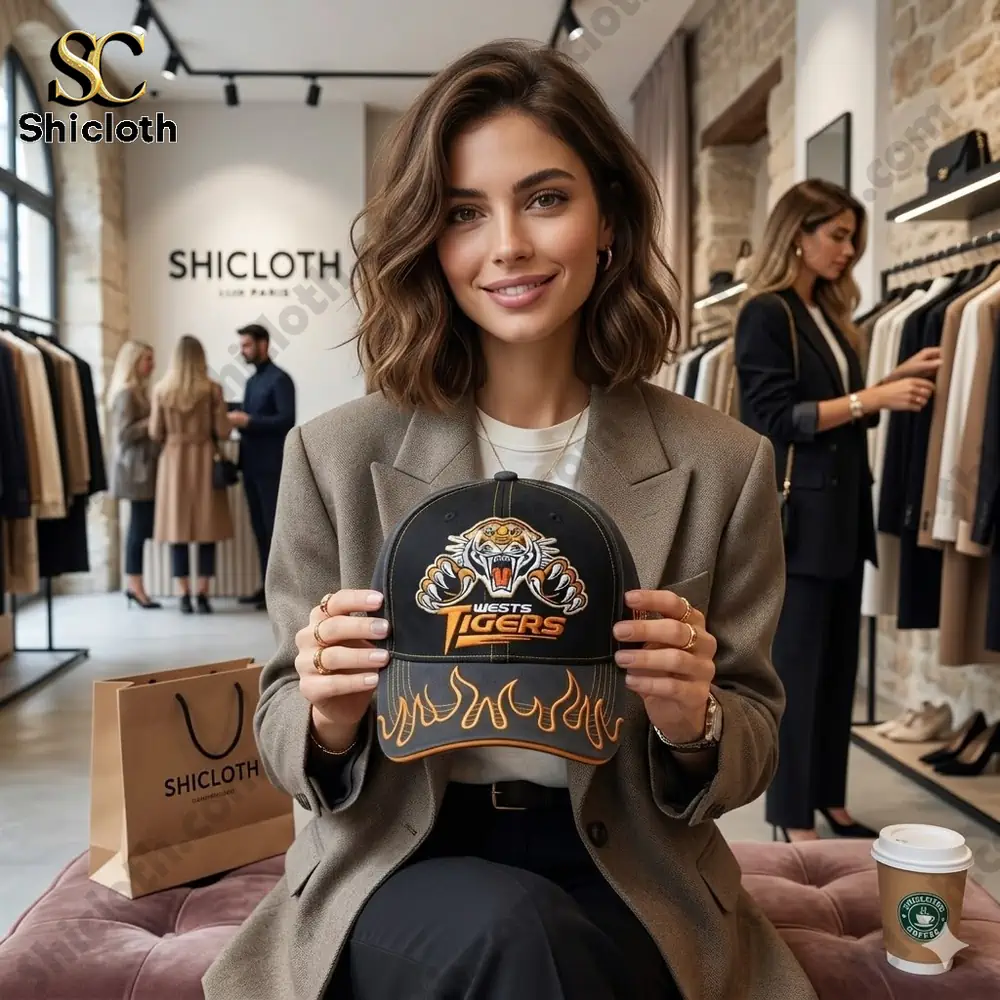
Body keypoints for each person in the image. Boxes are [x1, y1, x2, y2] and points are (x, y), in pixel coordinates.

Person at [204, 40, 816, 1000]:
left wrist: (694, 721)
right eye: (462, 213)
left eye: (544, 198)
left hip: (634, 866)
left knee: (546, 949)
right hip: (398, 857)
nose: (509, 247)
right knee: (514, 938)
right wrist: (325, 716)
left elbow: (752, 741)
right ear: (430, 242)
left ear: (606, 216)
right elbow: (281, 725)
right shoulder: (335, 456)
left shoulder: (722, 463)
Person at [733, 179, 941, 844]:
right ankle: (792, 816)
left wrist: (880, 383)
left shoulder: (824, 313)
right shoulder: (767, 313)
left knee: (836, 672)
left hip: (842, 520)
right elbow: (768, 417)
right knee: (796, 673)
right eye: (838, 236)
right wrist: (872, 398)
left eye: (854, 238)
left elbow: (834, 407)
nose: (849, 251)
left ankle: (831, 798)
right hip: (801, 525)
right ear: (798, 232)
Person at [150, 334, 235, 614]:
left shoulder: (162, 390)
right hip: (204, 459)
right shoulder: (212, 389)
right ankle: (203, 594)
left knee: (178, 531)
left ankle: (184, 594)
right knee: (206, 528)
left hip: (173, 462)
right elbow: (223, 430)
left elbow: (154, 432)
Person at [227, 322, 296, 610]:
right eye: (241, 345)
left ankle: (280, 593)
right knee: (258, 528)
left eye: (247, 345)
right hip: (251, 464)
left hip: (272, 466)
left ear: (263, 344)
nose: (242, 351)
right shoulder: (252, 381)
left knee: (272, 528)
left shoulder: (280, 380)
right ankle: (265, 588)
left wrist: (249, 421)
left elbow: (286, 420)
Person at [107, 339, 161, 609]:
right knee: (137, 530)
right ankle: (135, 586)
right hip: (135, 471)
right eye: (147, 359)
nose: (152, 364)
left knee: (139, 528)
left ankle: (136, 584)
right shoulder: (127, 393)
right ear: (134, 362)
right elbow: (124, 434)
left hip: (141, 469)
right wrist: (152, 422)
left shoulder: (137, 392)